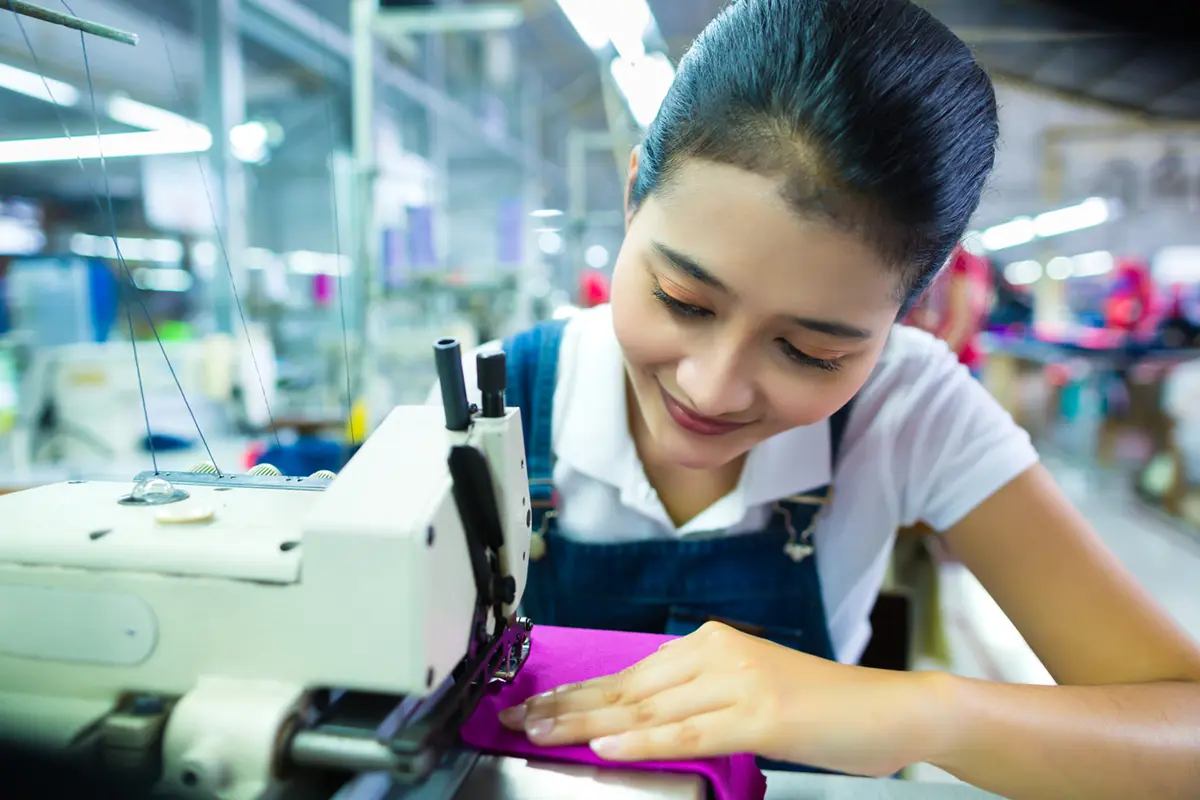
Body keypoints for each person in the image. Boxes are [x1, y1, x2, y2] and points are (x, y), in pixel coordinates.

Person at [434, 0, 1200, 794]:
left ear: (904, 313)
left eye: (810, 352)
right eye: (684, 301)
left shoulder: (910, 406)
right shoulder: (490, 402)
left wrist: (925, 712)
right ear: (635, 196)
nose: (711, 388)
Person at [903, 244, 993, 377]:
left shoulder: (959, 259)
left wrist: (932, 367)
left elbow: (959, 324)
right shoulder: (928, 254)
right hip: (937, 356)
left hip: (956, 362)